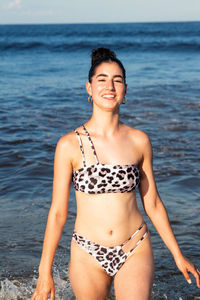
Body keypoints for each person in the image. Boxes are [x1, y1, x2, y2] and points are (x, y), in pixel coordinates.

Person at [32, 48, 200, 300]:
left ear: (125, 90)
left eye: (117, 80)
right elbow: (57, 212)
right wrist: (45, 272)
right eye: (102, 80)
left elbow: (152, 202)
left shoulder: (139, 140)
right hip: (87, 251)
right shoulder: (68, 144)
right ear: (89, 88)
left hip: (134, 246)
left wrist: (178, 254)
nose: (110, 86)